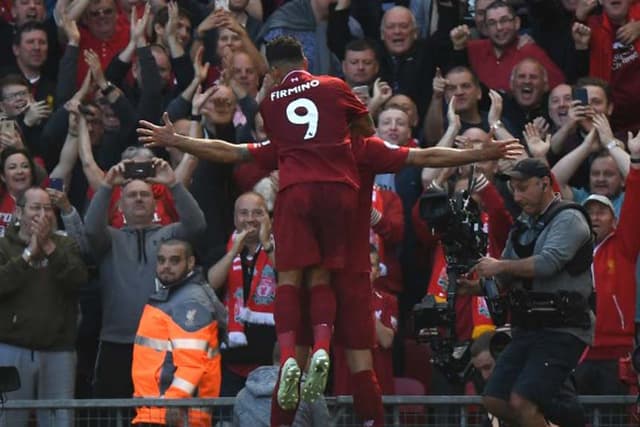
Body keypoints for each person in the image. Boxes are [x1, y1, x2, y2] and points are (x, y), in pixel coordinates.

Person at [137, 102, 522, 427]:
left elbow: (232, 151)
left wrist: (178, 140)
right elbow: (426, 156)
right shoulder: (367, 148)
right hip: (354, 268)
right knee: (362, 367)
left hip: (311, 268)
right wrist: (480, 153)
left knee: (294, 358)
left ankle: (303, 359)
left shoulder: (298, 148)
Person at [259, 35, 374, 410]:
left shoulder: (269, 102)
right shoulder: (335, 86)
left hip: (296, 191)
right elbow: (367, 127)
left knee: (290, 277)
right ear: (306, 59)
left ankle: (292, 355)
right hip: (340, 191)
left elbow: (274, 146)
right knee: (322, 273)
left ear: (274, 71)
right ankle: (324, 348)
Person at [474, 157, 594, 427]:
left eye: (523, 187)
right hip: (527, 327)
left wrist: (499, 266)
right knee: (494, 399)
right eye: (513, 189)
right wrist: (472, 285)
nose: (517, 196)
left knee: (522, 401)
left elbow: (547, 263)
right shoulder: (523, 224)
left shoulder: (570, 217)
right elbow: (503, 276)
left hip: (563, 327)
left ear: (544, 183)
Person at [84, 158, 206, 400]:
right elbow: (90, 230)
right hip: (116, 343)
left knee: (158, 415)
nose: (139, 198)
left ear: (155, 203)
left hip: (164, 344)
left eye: (145, 194)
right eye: (131, 195)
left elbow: (197, 225)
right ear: (120, 207)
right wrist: (107, 186)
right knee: (111, 415)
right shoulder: (110, 239)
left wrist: (173, 184)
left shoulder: (169, 235)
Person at [0, 187, 88, 427]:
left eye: (48, 208)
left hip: (58, 350)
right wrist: (29, 255)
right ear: (19, 212)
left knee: (58, 420)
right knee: (8, 419)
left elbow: (78, 279)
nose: (43, 214)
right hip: (11, 347)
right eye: (35, 208)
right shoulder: (4, 246)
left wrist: (49, 247)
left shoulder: (65, 244)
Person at [131, 239, 226, 427]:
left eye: (174, 261)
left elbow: (192, 364)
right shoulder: (174, 296)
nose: (166, 266)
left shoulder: (189, 302)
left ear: (190, 263)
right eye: (161, 260)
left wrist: (174, 401)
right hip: (160, 411)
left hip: (174, 415)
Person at [574, 135, 640, 397]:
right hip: (578, 349)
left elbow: (635, 202)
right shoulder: (570, 250)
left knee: (615, 417)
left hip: (616, 351)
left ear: (614, 221)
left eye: (601, 212)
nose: (594, 218)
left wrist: (634, 161)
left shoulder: (623, 246)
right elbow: (547, 196)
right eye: (588, 212)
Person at [207, 192, 277, 397]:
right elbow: (212, 284)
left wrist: (267, 245)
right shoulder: (221, 251)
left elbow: (287, 276)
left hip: (271, 360)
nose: (250, 219)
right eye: (243, 213)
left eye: (258, 213)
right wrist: (233, 253)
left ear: (268, 218)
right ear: (235, 218)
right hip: (231, 362)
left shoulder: (279, 249)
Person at [449, 0, 564, 92]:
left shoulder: (531, 52)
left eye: (504, 20)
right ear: (487, 28)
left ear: (517, 23)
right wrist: (458, 47)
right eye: (492, 23)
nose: (499, 27)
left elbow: (559, 86)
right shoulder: (473, 49)